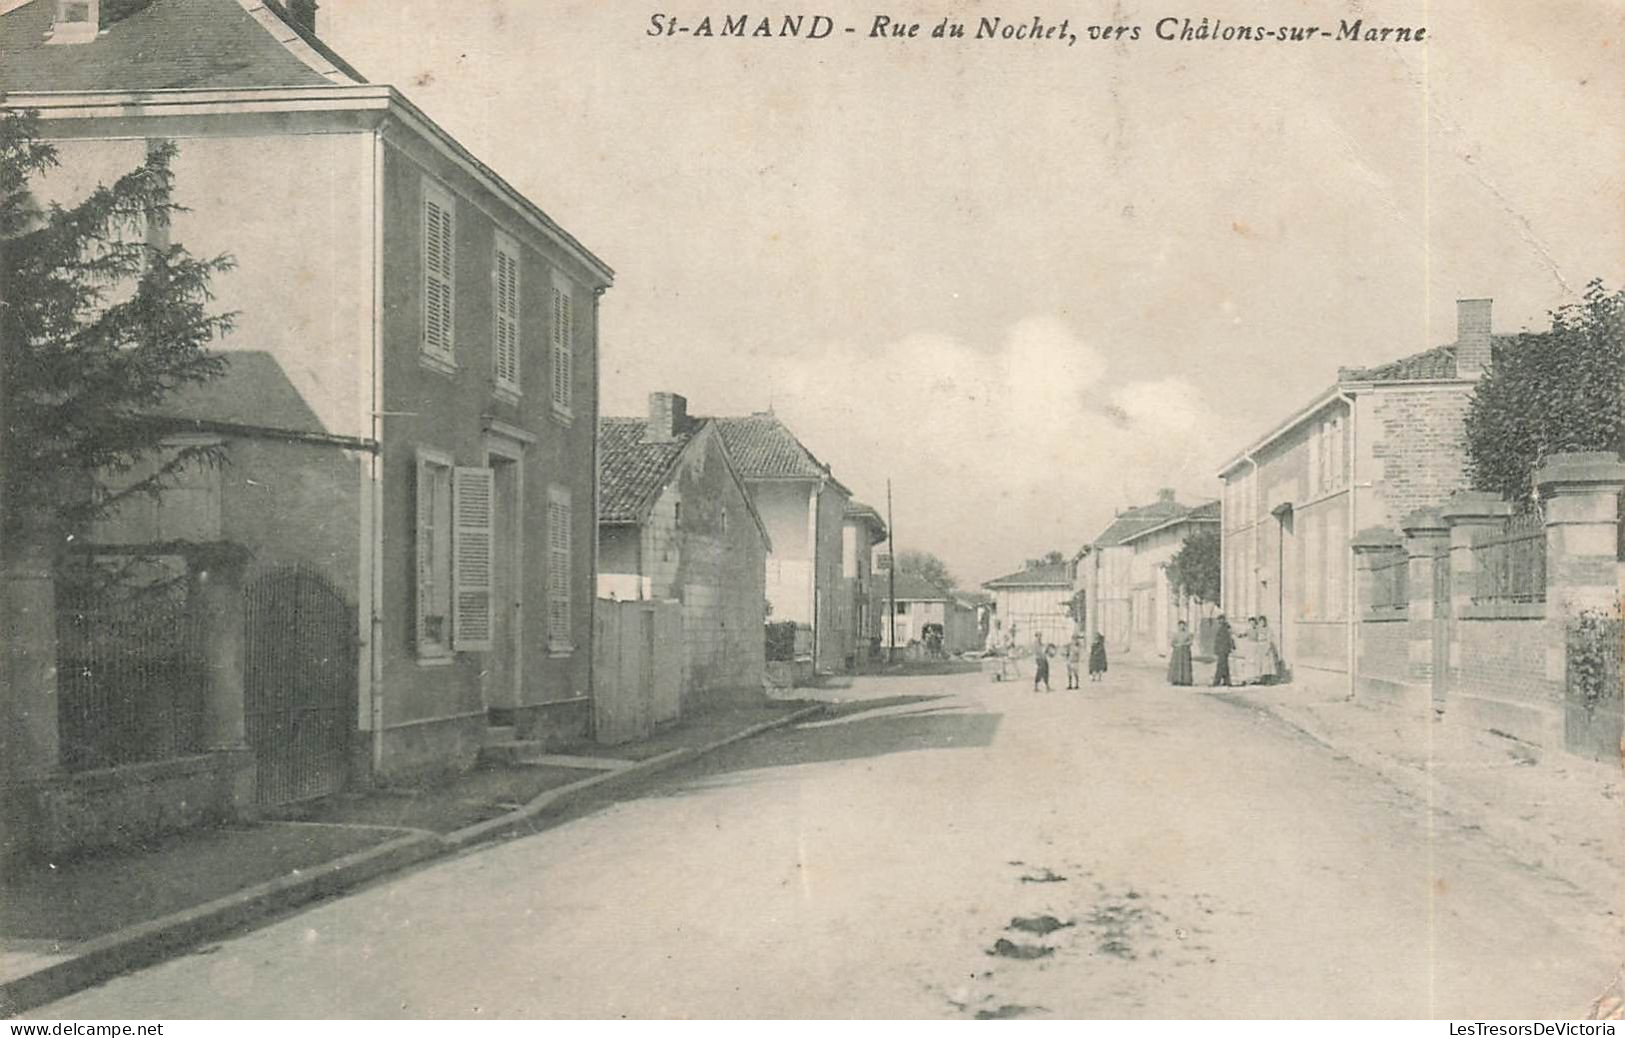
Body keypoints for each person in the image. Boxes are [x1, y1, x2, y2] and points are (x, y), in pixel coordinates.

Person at [1167, 620, 1194, 686]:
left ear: (1185, 626)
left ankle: (1186, 681)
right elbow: (1172, 643)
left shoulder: (1188, 634)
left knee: (1185, 666)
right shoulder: (1176, 634)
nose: (1181, 627)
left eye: (1183, 625)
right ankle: (1176, 680)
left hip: (1185, 653)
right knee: (1177, 666)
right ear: (1178, 626)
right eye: (1180, 625)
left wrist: (1184, 644)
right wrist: (1176, 645)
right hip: (1177, 653)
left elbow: (1190, 642)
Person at [1211, 614, 1234, 687]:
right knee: (1224, 665)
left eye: (1221, 619)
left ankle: (1217, 681)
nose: (1219, 621)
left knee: (1220, 665)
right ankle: (1227, 681)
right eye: (1219, 620)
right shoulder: (1222, 628)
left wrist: (1230, 647)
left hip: (1223, 649)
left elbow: (1228, 639)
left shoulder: (1225, 628)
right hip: (1222, 649)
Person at [1256, 615, 1280, 684]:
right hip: (1260, 646)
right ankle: (1262, 679)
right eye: (1260, 622)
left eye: (1263, 622)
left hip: (1266, 646)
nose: (1262, 623)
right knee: (1261, 664)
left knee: (1267, 665)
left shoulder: (1269, 629)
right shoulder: (1259, 629)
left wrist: (1267, 648)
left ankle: (1269, 680)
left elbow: (1269, 639)